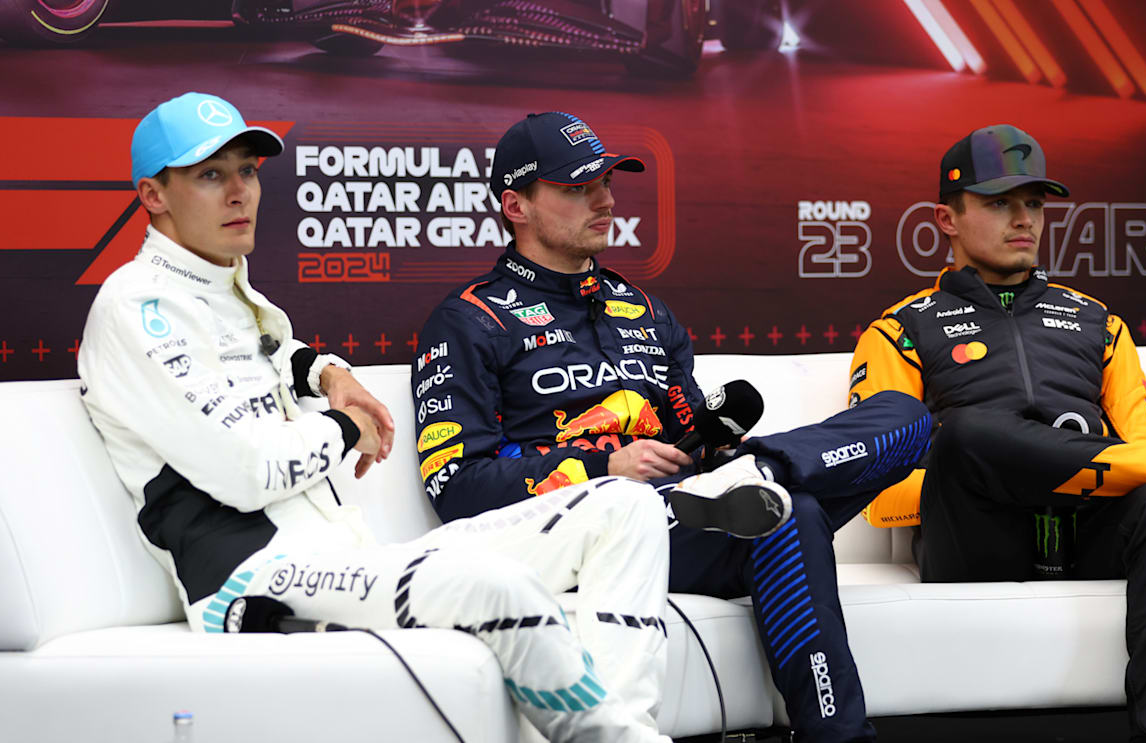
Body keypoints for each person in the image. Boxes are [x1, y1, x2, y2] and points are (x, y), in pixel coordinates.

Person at [78, 92, 682, 743]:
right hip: (253, 582)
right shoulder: (135, 307)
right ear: (153, 195)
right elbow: (249, 470)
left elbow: (280, 354)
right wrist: (344, 427)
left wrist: (331, 373)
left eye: (247, 171)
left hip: (348, 557)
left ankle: (628, 730)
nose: (239, 193)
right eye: (210, 175)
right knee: (498, 586)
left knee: (628, 505)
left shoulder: (230, 290)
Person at [414, 111, 934, 742]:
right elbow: (458, 488)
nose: (604, 201)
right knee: (786, 513)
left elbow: (690, 435)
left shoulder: (643, 308)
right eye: (578, 189)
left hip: (690, 510)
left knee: (905, 421)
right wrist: (606, 467)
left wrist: (718, 447)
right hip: (590, 532)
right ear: (516, 205)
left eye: (605, 183)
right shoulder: (470, 321)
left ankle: (763, 467)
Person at [848, 124, 1146, 743]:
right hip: (974, 537)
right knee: (963, 434)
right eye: (999, 203)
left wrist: (1073, 482)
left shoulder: (1098, 323)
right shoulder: (899, 330)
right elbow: (882, 497)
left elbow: (1143, 455)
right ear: (947, 218)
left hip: (1090, 531)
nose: (1025, 220)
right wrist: (1012, 474)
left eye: (1035, 204)